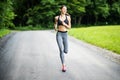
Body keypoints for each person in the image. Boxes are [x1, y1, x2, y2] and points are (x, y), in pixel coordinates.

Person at [54, 5, 71, 72]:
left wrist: (65, 24)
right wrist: (55, 27)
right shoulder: (56, 17)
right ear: (60, 9)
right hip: (59, 34)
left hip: (65, 34)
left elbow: (69, 27)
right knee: (61, 49)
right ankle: (63, 65)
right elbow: (55, 24)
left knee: (65, 51)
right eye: (63, 9)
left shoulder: (68, 17)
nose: (65, 10)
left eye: (66, 9)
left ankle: (64, 53)